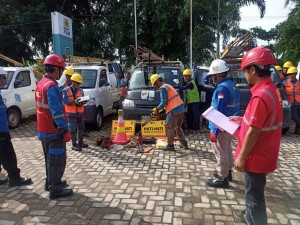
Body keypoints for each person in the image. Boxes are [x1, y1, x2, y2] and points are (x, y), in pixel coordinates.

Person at [230, 47, 282, 225]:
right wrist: (242, 119)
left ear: (253, 70)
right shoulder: (271, 90)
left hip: (255, 156)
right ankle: (250, 216)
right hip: (266, 153)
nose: (244, 75)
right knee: (255, 193)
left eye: (245, 71)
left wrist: (242, 157)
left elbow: (254, 132)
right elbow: (262, 121)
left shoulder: (259, 96)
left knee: (254, 198)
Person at [35, 54, 73, 200]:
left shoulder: (41, 83)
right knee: (57, 159)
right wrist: (64, 130)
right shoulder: (51, 87)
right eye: (61, 70)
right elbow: (57, 112)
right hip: (53, 130)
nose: (62, 73)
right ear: (55, 69)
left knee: (49, 159)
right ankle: (55, 188)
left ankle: (50, 182)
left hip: (43, 129)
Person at [205, 59, 240, 188]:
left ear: (218, 75)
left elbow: (219, 112)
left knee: (220, 152)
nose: (212, 78)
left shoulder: (222, 89)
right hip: (229, 124)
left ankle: (222, 177)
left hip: (222, 125)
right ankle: (228, 172)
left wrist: (215, 131)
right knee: (227, 149)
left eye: (213, 75)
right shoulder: (231, 85)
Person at [0, 67, 32, 187]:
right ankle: (14, 178)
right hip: (1, 132)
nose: (4, 80)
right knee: (8, 155)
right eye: (3, 77)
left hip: (2, 129)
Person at [150, 74, 188, 151]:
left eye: (154, 84)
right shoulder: (168, 86)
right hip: (181, 109)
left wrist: (157, 109)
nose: (155, 86)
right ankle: (183, 143)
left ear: (157, 81)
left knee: (170, 128)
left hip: (173, 111)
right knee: (178, 127)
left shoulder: (163, 88)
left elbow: (163, 101)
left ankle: (170, 145)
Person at [63, 73, 89, 151]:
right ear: (72, 81)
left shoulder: (81, 91)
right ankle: (74, 144)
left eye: (79, 83)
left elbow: (83, 100)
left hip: (80, 113)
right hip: (71, 114)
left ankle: (80, 142)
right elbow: (65, 101)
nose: (78, 85)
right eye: (77, 83)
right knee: (72, 130)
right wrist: (74, 102)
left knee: (81, 128)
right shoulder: (66, 90)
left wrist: (84, 101)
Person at [282, 66, 300, 134]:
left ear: (295, 74)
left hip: (298, 102)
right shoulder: (284, 83)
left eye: (292, 74)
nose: (290, 75)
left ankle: (297, 131)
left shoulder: (299, 82)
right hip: (290, 103)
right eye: (289, 74)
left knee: (297, 116)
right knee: (294, 117)